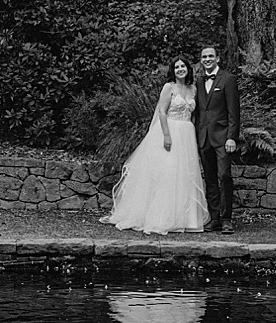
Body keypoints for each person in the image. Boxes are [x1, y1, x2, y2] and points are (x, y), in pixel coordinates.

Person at [102, 56, 210, 235]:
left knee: (184, 174)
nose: (180, 69)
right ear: (173, 71)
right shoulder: (169, 87)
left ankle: (187, 219)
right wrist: (167, 135)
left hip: (187, 134)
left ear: (188, 69)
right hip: (171, 130)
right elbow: (161, 111)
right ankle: (161, 217)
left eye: (183, 66)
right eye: (177, 67)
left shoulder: (193, 89)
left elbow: (193, 114)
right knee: (167, 173)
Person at [194, 42, 243, 233]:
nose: (207, 59)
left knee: (224, 176)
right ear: (201, 60)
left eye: (210, 56)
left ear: (217, 58)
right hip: (204, 138)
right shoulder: (198, 81)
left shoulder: (228, 79)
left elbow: (234, 111)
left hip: (223, 137)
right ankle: (214, 219)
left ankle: (226, 219)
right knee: (211, 179)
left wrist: (232, 137)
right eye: (204, 57)